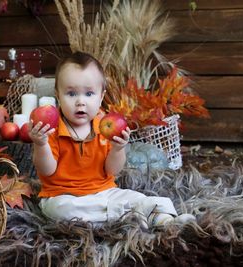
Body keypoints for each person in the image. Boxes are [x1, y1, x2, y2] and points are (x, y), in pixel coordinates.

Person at [29, 51, 195, 227]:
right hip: (63, 195)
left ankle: (166, 221)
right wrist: (41, 144)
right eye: (71, 94)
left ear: (101, 96)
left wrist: (118, 149)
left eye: (89, 94)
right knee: (59, 209)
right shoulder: (51, 129)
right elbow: (47, 170)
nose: (80, 102)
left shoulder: (104, 126)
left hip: (104, 192)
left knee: (137, 197)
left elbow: (113, 170)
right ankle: (129, 216)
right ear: (58, 95)